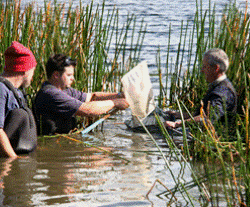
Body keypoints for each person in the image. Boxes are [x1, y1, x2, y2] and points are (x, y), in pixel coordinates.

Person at [34, 54, 129, 135]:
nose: (73, 79)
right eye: (69, 75)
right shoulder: (51, 94)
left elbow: (91, 97)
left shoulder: (65, 90)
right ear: (56, 75)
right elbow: (88, 110)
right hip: (53, 143)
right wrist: (115, 103)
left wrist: (120, 95)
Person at [165, 48, 237, 129]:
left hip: (216, 137)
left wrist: (177, 124)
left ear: (216, 68)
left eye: (205, 66)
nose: (202, 70)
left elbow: (208, 118)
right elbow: (203, 114)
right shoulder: (219, 86)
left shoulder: (222, 92)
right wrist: (180, 115)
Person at [0, 41, 37, 158]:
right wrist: (14, 160)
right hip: (8, 159)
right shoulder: (1, 90)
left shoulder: (18, 92)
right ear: (25, 71)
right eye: (33, 71)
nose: (33, 76)